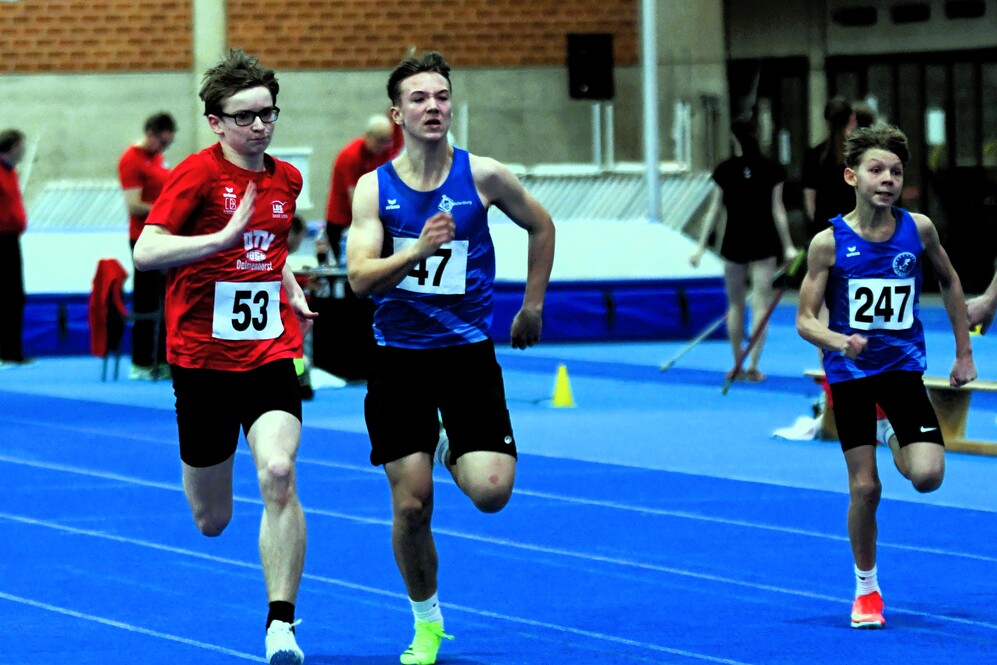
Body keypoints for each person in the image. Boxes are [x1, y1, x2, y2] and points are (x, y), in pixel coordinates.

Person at [346, 50, 555, 665]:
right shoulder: (373, 189)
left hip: (466, 356)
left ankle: (444, 441)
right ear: (397, 114)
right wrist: (416, 250)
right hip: (398, 360)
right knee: (412, 503)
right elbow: (359, 278)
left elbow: (542, 227)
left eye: (441, 96)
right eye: (419, 98)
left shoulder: (483, 176)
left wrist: (532, 306)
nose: (433, 106)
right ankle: (427, 619)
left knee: (492, 493)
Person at [133, 48, 316, 665]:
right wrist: (219, 238)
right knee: (212, 521)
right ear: (216, 121)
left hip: (269, 353)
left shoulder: (287, 178)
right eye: (245, 117)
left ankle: (281, 626)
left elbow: (268, 251)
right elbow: (146, 251)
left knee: (279, 473)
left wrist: (286, 283)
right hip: (200, 361)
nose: (260, 126)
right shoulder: (194, 176)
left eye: (268, 113)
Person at [796, 123, 976, 630]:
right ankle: (866, 588)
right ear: (852, 176)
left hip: (901, 372)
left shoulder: (917, 229)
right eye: (876, 170)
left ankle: (890, 426)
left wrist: (963, 354)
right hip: (850, 376)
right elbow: (806, 319)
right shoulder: (827, 244)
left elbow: (949, 280)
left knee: (927, 476)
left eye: (896, 172)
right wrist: (839, 341)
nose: (888, 179)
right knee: (866, 488)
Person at [690, 117, 798, 382]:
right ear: (758, 135)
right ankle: (753, 364)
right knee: (761, 303)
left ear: (732, 139)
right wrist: (788, 246)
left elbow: (714, 211)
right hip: (764, 240)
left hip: (735, 240)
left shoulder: (725, 169)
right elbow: (778, 210)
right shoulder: (772, 169)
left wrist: (701, 247)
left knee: (735, 304)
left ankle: (737, 362)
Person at [118, 112, 176, 380]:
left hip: (163, 237)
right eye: (162, 142)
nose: (165, 148)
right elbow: (134, 204)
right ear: (152, 133)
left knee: (167, 299)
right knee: (146, 298)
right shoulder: (131, 159)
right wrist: (167, 211)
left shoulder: (157, 158)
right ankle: (140, 362)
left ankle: (162, 360)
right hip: (142, 237)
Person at [324, 112, 403, 265]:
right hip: (341, 221)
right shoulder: (351, 156)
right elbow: (354, 199)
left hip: (367, 217)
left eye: (387, 141)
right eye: (380, 141)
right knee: (350, 271)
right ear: (368, 136)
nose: (385, 147)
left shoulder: (384, 150)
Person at [803, 97, 856, 240]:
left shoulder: (814, 155)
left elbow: (810, 200)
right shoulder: (857, 153)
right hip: (855, 225)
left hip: (824, 226)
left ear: (826, 121)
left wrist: (817, 225)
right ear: (851, 118)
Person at [0, 129, 29, 367]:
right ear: (11, 147)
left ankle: (13, 351)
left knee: (16, 297)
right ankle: (5, 351)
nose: (25, 150)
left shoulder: (12, 172)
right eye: (22, 145)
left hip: (12, 240)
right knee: (5, 296)